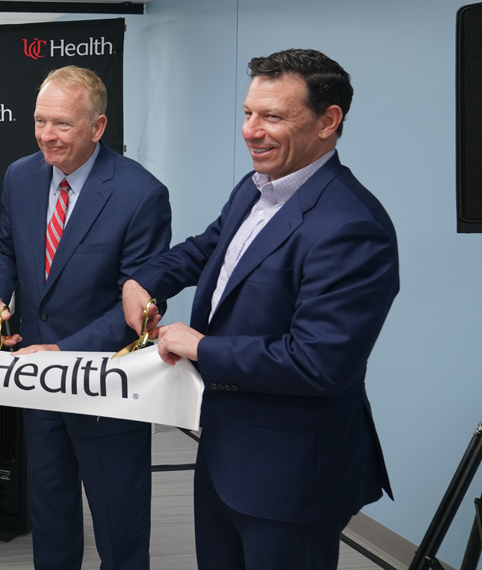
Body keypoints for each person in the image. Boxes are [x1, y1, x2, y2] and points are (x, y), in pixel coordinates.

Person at [122, 49, 398, 570]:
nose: (251, 131)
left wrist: (202, 347)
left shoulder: (352, 226)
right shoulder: (256, 189)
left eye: (272, 117)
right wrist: (145, 279)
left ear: (328, 121)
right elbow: (209, 247)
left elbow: (318, 363)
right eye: (248, 113)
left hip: (291, 476)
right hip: (225, 452)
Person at [0, 65, 171, 570]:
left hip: (103, 387)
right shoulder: (21, 175)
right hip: (38, 380)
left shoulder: (140, 194)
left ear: (98, 127)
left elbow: (142, 304)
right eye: (40, 121)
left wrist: (66, 351)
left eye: (62, 124)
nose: (47, 135)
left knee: (118, 524)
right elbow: (5, 250)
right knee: (51, 515)